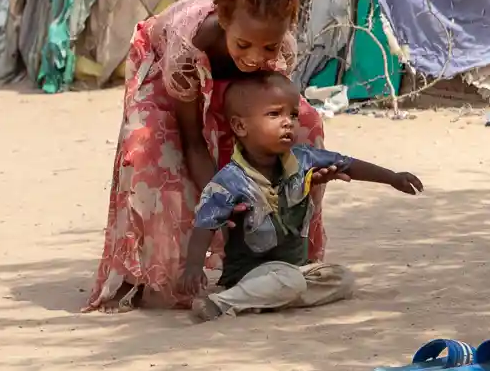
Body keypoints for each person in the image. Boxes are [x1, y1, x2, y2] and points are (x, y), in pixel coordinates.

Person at [83, 0, 322, 312]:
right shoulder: (188, 46)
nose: (255, 58)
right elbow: (194, 141)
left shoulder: (277, 45)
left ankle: (287, 249)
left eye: (267, 48)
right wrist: (221, 211)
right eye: (243, 45)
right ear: (225, 23)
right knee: (148, 151)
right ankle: (141, 273)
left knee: (305, 125)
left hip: (229, 84)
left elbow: (266, 126)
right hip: (167, 70)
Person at [179, 72, 422, 322]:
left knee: (341, 279)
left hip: (296, 268)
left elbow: (347, 164)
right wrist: (194, 266)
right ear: (241, 126)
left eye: (293, 115)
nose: (288, 123)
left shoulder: (304, 159)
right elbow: (204, 225)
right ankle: (221, 302)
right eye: (274, 114)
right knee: (290, 282)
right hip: (250, 272)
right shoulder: (230, 180)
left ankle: (262, 298)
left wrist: (392, 177)